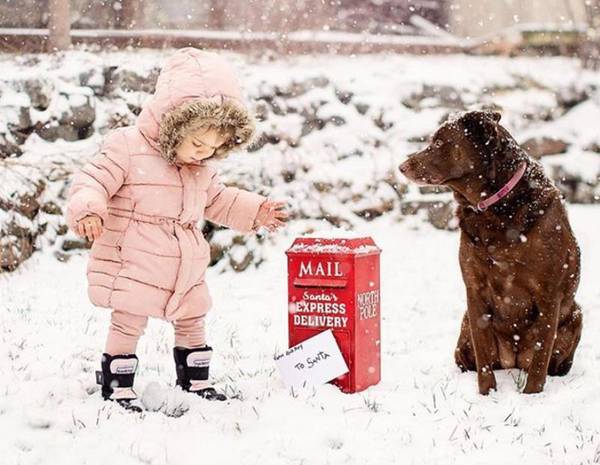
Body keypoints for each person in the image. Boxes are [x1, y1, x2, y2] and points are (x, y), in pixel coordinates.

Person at [66, 47, 288, 410]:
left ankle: (195, 380)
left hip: (185, 259)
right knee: (129, 318)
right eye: (198, 143)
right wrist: (89, 209)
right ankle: (117, 382)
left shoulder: (200, 168)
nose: (204, 153)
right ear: (172, 125)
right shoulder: (127, 146)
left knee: (192, 315)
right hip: (134, 253)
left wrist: (255, 211)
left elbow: (217, 199)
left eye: (214, 147)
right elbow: (92, 180)